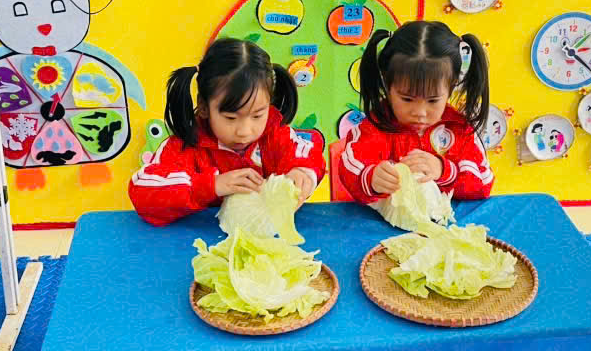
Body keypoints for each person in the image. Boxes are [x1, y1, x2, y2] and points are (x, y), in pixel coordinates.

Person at [129, 38, 325, 226]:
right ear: (204, 107)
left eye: (257, 115)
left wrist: (302, 172)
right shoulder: (183, 146)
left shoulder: (275, 135)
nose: (245, 132)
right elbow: (142, 190)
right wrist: (212, 185)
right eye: (231, 118)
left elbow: (307, 153)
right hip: (192, 241)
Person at [337, 21, 493, 203]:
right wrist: (371, 177)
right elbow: (349, 168)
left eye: (433, 100)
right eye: (407, 99)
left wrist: (445, 171)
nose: (420, 113)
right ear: (387, 85)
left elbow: (484, 182)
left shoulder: (460, 130)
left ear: (451, 88)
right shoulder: (373, 129)